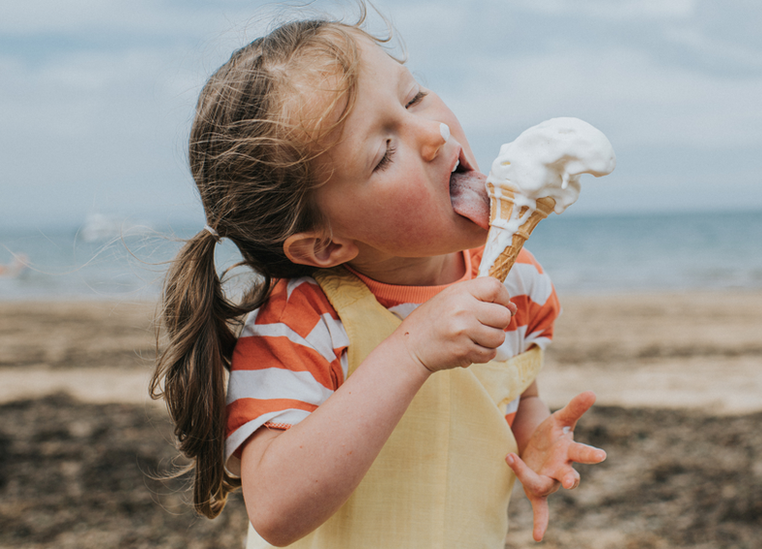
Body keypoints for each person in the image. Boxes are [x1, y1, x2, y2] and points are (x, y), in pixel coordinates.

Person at [151, 7, 605, 548]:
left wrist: (533, 439)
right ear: (326, 243)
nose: (432, 133)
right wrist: (411, 351)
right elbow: (274, 509)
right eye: (383, 152)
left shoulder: (520, 284)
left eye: (413, 96)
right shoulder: (304, 319)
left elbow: (514, 397)